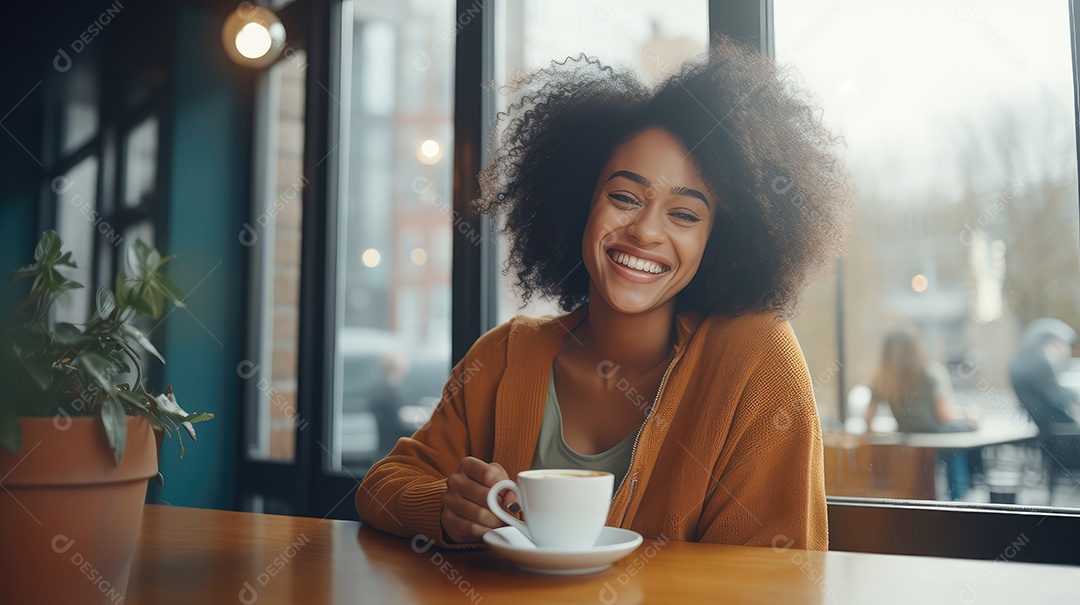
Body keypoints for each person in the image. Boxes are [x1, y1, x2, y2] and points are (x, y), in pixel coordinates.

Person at [356, 38, 852, 551]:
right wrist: (445, 507)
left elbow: (774, 576)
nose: (645, 232)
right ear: (579, 204)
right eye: (624, 197)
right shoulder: (505, 356)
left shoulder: (756, 361)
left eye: (683, 214)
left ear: (717, 240)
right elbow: (383, 484)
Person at [864, 330, 977, 500]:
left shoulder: (882, 380)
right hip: (938, 437)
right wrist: (968, 414)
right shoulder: (931, 374)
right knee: (959, 443)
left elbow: (867, 421)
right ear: (915, 349)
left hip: (909, 444)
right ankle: (959, 501)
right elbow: (944, 415)